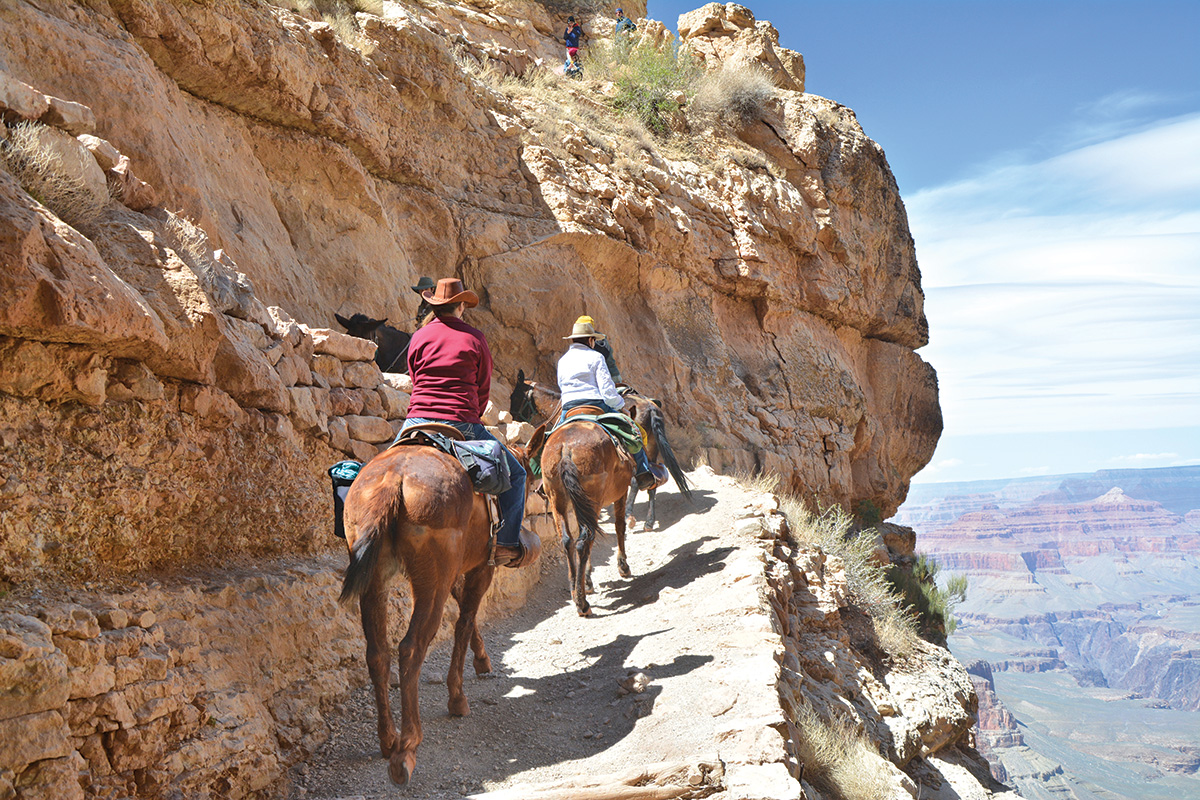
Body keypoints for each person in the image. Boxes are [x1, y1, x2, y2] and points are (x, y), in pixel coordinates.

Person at [401, 278, 531, 567]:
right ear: (460, 306)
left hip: (416, 420)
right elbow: (482, 388)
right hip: (460, 421)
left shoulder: (418, 337)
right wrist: (474, 412)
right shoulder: (474, 338)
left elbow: (413, 376)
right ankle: (506, 544)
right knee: (518, 475)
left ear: (435, 306)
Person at [557, 316, 655, 489]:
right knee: (633, 431)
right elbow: (608, 393)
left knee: (550, 436)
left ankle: (543, 480)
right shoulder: (596, 357)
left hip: (569, 408)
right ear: (590, 340)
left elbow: (561, 386)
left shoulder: (562, 360)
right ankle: (643, 472)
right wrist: (621, 407)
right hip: (595, 405)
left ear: (572, 340)